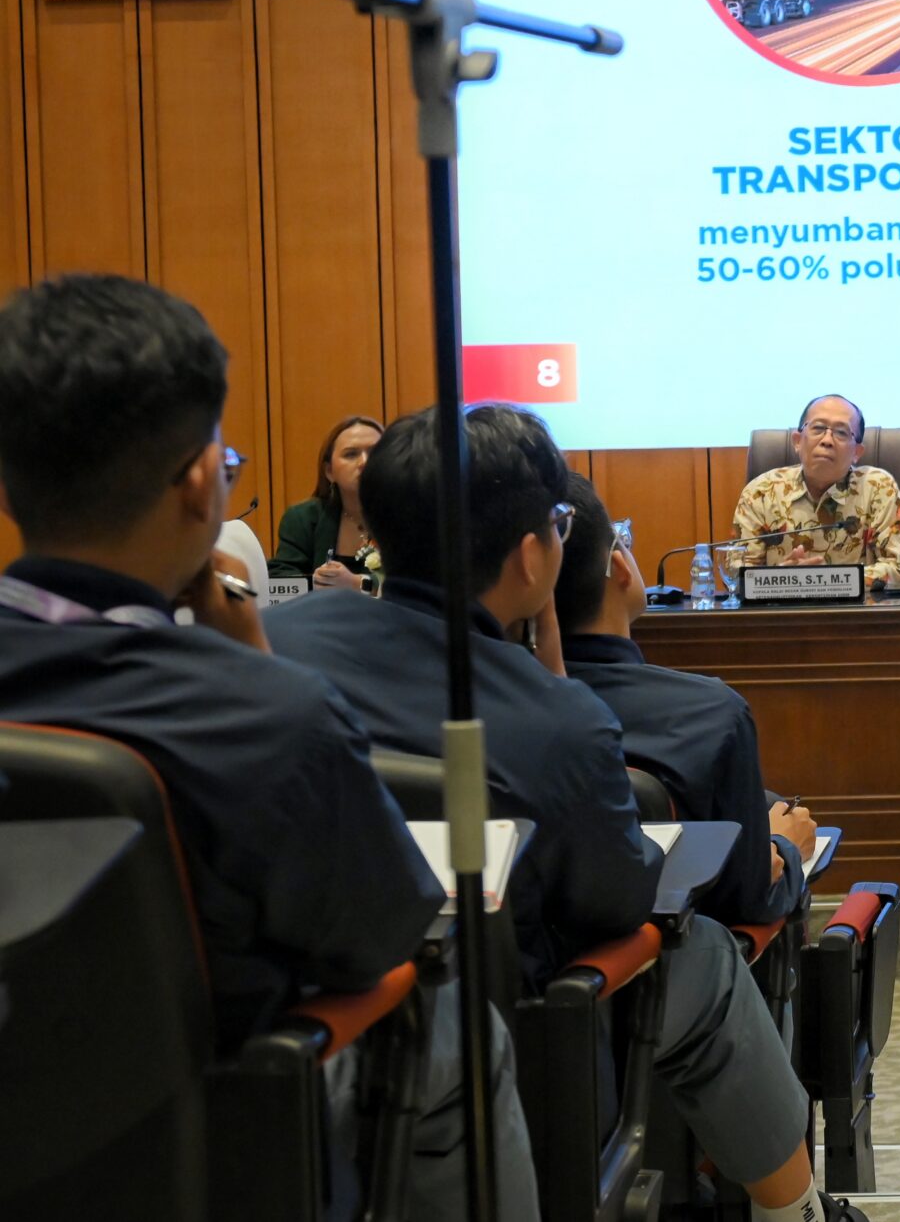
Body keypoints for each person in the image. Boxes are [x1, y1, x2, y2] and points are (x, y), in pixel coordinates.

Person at [0, 274, 535, 1220]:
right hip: (214, 1144)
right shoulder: (264, 714)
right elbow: (378, 932)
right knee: (464, 1026)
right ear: (203, 481)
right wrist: (259, 671)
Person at [267, 403, 862, 1222]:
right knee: (705, 949)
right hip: (525, 1038)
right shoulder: (554, 719)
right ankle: (793, 1214)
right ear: (530, 554)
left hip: (304, 1023)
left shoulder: (272, 645)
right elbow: (622, 900)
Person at [554, 471, 818, 929]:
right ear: (619, 567)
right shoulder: (711, 713)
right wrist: (781, 847)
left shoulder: (484, 707)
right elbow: (750, 897)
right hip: (681, 955)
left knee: (765, 800)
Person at [731, 394, 900, 584]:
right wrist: (782, 578)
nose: (827, 440)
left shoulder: (878, 488)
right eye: (818, 428)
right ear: (797, 441)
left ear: (857, 452)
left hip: (856, 612)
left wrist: (826, 581)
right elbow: (736, 574)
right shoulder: (761, 492)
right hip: (779, 611)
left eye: (841, 432)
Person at [272, 414, 383, 590]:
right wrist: (313, 583)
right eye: (351, 454)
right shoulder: (303, 519)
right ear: (329, 471)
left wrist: (359, 584)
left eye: (375, 452)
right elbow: (281, 577)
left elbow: (421, 583)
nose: (364, 462)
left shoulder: (408, 515)